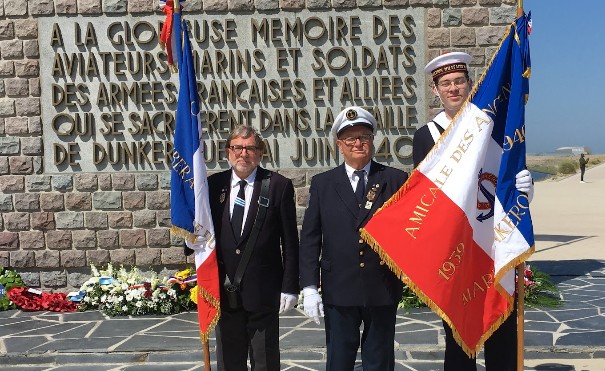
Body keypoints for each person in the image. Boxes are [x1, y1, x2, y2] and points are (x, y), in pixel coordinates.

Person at [413, 51, 535, 371]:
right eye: (446, 84)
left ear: (470, 84)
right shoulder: (426, 136)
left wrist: (522, 191)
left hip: (492, 246)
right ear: (436, 91)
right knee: (458, 343)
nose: (453, 88)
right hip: (453, 254)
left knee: (502, 335)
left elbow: (502, 179)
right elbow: (425, 203)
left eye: (459, 81)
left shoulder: (492, 128)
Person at [299, 106, 407, 371]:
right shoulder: (324, 183)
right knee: (339, 361)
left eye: (364, 137)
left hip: (381, 286)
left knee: (379, 361)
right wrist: (310, 286)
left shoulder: (395, 179)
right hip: (340, 287)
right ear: (340, 145)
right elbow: (311, 238)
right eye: (351, 139)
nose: (358, 143)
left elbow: (410, 232)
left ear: (372, 141)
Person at [205, 124, 300, 371]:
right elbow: (202, 233)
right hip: (224, 292)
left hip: (263, 293)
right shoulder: (213, 186)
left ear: (260, 153)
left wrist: (290, 287)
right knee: (229, 362)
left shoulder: (278, 186)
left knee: (265, 362)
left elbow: (289, 242)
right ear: (227, 152)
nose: (243, 154)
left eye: (250, 148)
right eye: (237, 147)